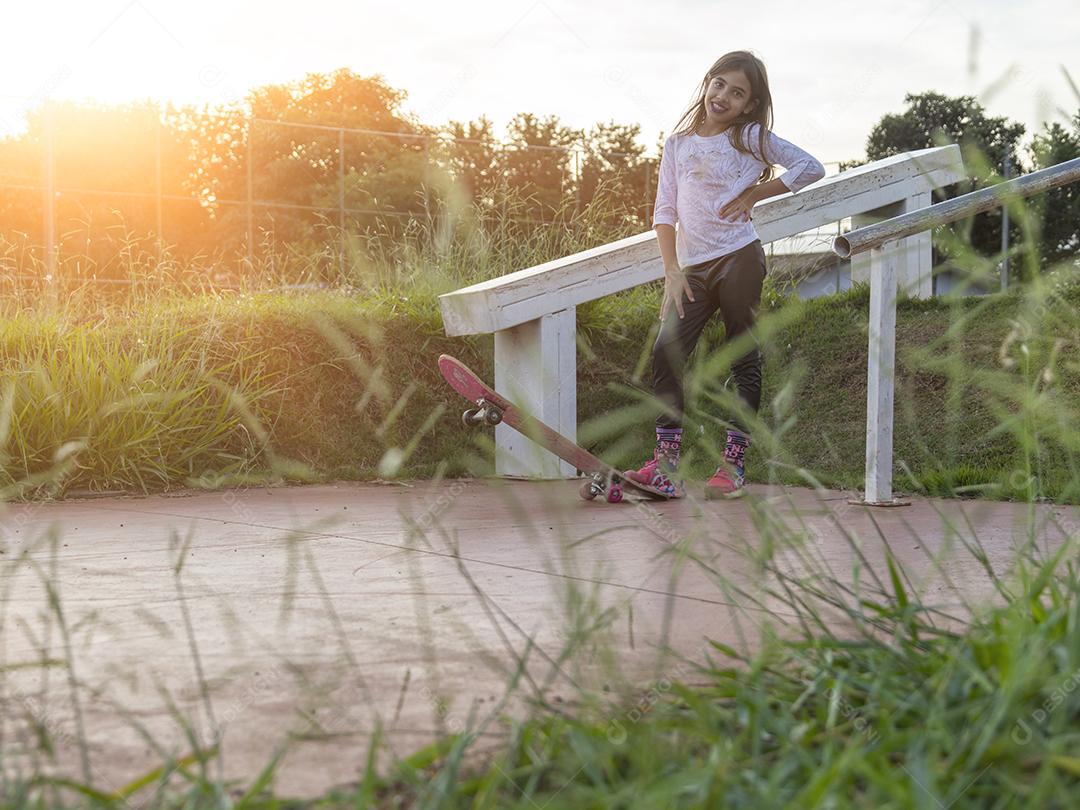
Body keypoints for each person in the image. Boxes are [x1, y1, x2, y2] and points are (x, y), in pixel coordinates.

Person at [625, 50, 825, 499]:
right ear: (708, 82)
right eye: (720, 85)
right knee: (666, 351)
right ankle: (666, 466)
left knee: (742, 356)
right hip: (693, 268)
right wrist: (671, 270)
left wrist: (757, 191)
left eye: (738, 94)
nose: (724, 97)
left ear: (749, 105)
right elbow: (664, 210)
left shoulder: (750, 137)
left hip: (739, 258)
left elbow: (811, 167)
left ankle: (732, 467)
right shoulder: (677, 144)